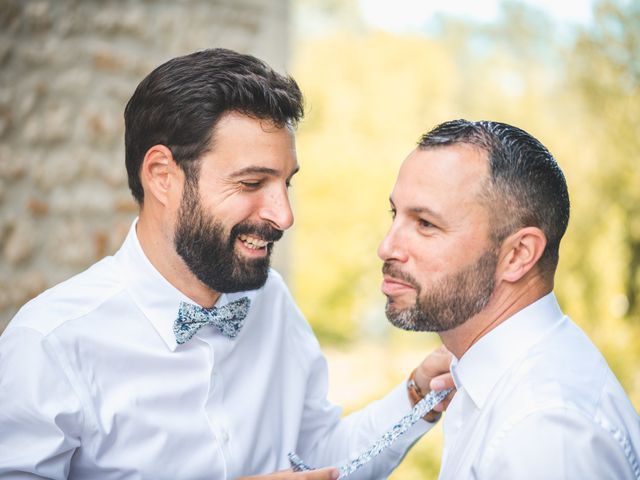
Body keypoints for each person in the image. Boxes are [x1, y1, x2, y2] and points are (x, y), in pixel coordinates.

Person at [0, 49, 454, 479]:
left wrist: (416, 394)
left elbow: (319, 456)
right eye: (253, 182)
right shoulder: (49, 345)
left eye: (285, 183)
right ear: (162, 176)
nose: (284, 215)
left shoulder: (270, 300)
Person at [378, 118, 640, 478]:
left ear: (518, 254)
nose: (387, 247)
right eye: (395, 214)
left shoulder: (544, 433)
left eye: (425, 223)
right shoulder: (492, 385)